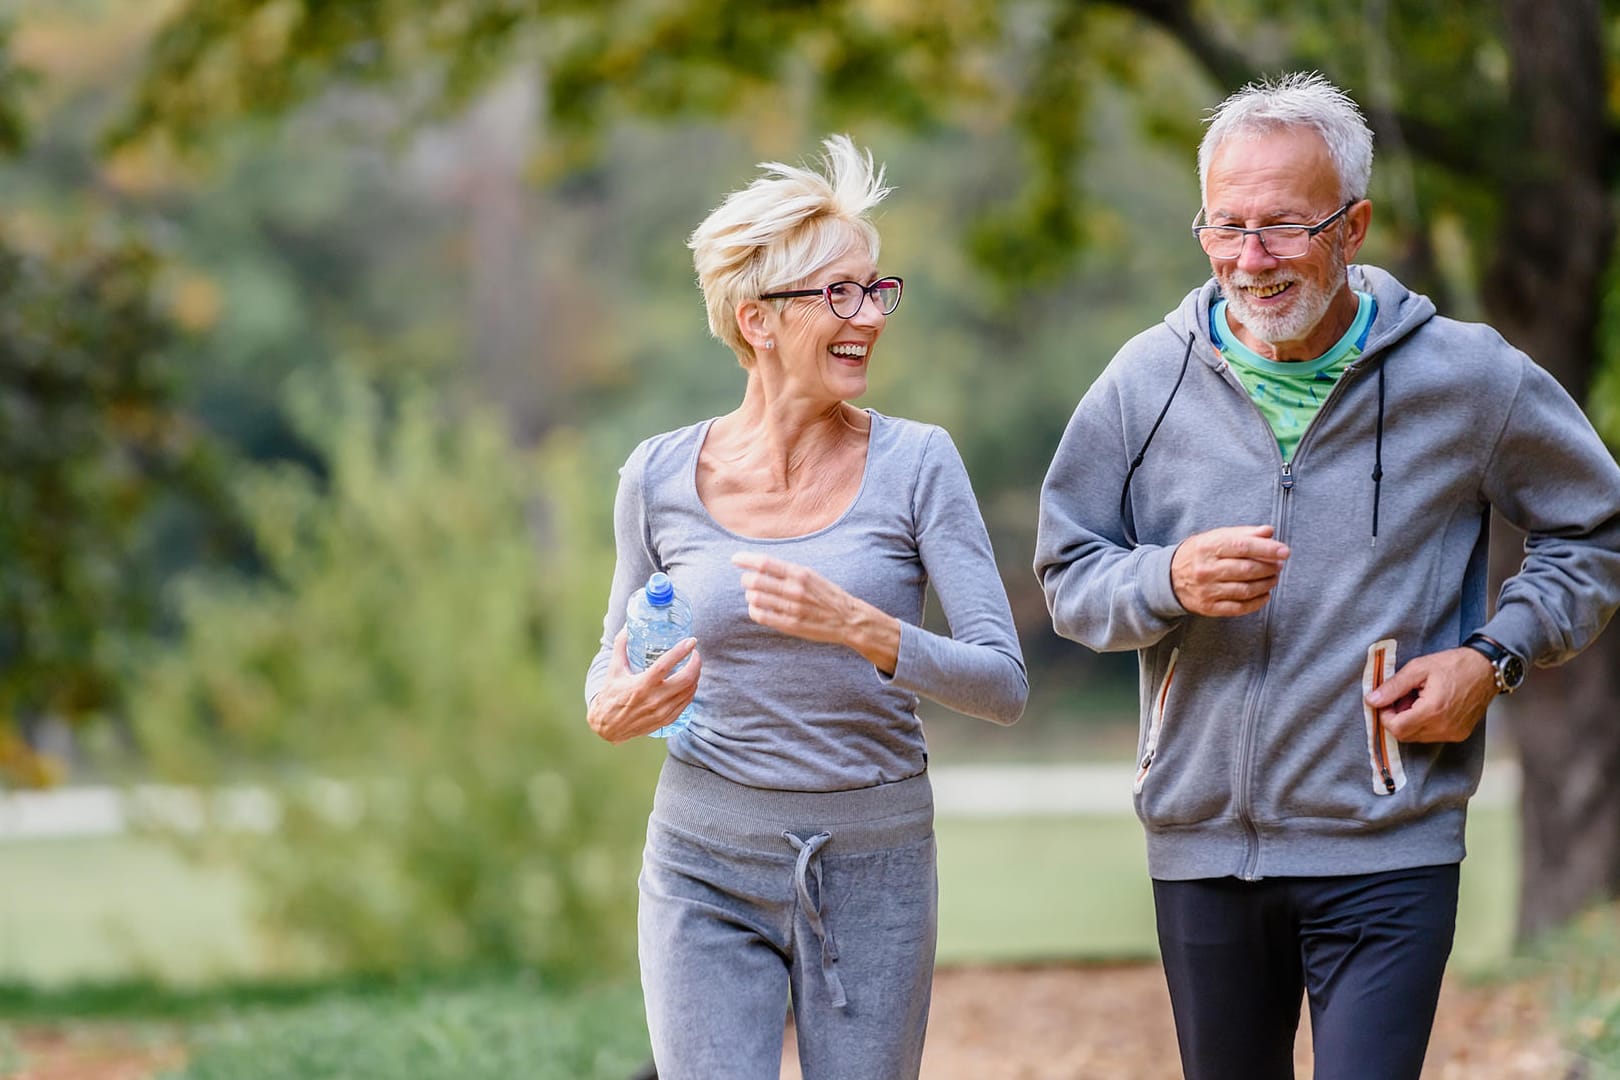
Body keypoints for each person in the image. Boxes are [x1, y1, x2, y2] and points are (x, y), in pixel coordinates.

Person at [1034, 72, 1620, 1080]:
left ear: (1354, 227)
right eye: (1226, 227)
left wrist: (1493, 657)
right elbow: (1069, 572)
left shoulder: (1468, 378)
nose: (1250, 260)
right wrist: (1165, 579)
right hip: (1202, 848)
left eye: (1283, 228)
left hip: (1388, 843)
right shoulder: (1145, 379)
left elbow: (1597, 531)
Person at [585, 134, 1027, 1080]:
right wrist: (609, 706)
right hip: (701, 859)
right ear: (756, 321)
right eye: (838, 293)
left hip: (875, 864)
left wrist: (860, 627)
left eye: (875, 289)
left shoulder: (918, 464)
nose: (868, 314)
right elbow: (611, 656)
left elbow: (1004, 684)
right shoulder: (657, 475)